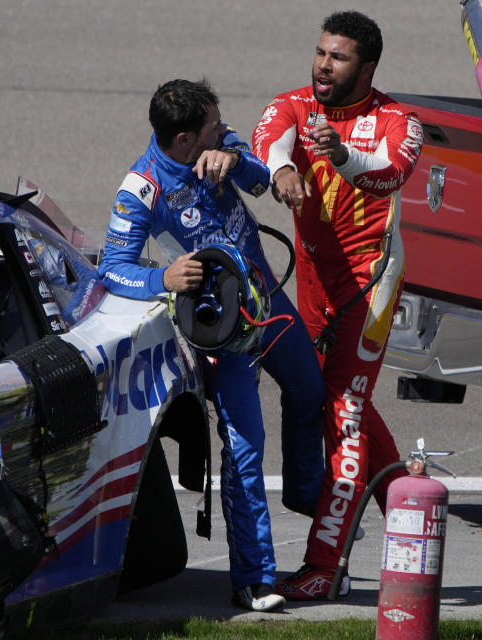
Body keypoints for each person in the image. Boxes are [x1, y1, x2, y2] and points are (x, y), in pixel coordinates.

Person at [98, 79, 326, 612]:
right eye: (212, 127)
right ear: (183, 140)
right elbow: (113, 269)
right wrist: (164, 280)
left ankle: (305, 495)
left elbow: (261, 177)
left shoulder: (222, 144)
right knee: (246, 445)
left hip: (269, 302)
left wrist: (233, 158)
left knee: (309, 389)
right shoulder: (142, 188)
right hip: (223, 334)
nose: (223, 128)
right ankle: (253, 578)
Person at [251, 11, 424, 600]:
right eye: (321, 52)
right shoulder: (294, 105)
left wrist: (343, 155)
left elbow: (389, 175)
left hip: (368, 288)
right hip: (314, 285)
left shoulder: (400, 121)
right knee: (344, 400)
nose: (324, 65)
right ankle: (408, 509)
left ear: (366, 68)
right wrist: (280, 170)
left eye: (339, 57)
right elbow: (267, 137)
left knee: (344, 414)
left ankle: (326, 564)